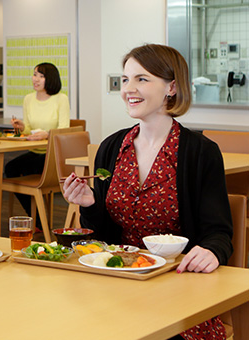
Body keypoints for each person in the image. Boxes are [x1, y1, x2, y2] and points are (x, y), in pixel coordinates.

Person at [63, 44, 233, 339]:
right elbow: (101, 238)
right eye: (126, 79)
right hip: (118, 284)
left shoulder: (200, 152)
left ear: (172, 87)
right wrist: (90, 204)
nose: (129, 88)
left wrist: (212, 251)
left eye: (142, 79)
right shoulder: (112, 148)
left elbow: (218, 231)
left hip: (179, 286)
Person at [5, 62, 70, 224]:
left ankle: (38, 221)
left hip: (52, 155)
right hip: (35, 151)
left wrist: (46, 134)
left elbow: (64, 129)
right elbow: (29, 128)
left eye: (41, 76)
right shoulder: (28, 99)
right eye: (35, 75)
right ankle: (36, 218)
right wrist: (22, 127)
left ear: (51, 79)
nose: (36, 79)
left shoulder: (61, 99)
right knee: (10, 168)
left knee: (28, 168)